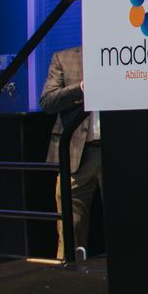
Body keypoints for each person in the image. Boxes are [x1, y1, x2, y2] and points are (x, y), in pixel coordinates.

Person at [40, 45, 101, 262]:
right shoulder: (64, 57)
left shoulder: (124, 54)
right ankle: (68, 274)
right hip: (76, 152)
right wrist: (81, 88)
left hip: (116, 151)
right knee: (70, 224)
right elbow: (47, 102)